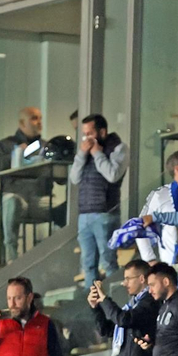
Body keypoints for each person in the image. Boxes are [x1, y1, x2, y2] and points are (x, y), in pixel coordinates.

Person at [69, 116, 126, 288]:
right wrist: (81, 155)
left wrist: (97, 154)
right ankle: (90, 301)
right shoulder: (85, 153)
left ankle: (114, 298)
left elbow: (113, 174)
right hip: (84, 213)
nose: (87, 139)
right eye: (84, 134)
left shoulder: (118, 147)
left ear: (102, 132)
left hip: (105, 213)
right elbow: (74, 178)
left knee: (108, 261)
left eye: (90, 133)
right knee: (88, 264)